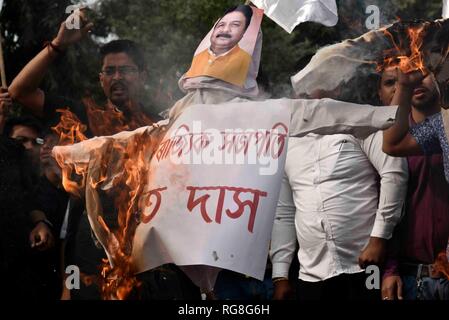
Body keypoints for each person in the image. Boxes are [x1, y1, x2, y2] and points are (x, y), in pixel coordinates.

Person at [379, 67, 449, 300]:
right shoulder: (442, 125)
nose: (420, 77)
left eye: (426, 70)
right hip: (414, 277)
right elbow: (391, 145)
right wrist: (390, 269)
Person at [382, 69, 449, 184]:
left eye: (425, 72)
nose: (419, 81)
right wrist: (404, 86)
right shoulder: (444, 122)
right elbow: (393, 145)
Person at [184, 5, 253, 87]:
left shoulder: (246, 60)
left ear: (243, 32)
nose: (225, 30)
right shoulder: (199, 56)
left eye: (235, 25)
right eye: (221, 25)